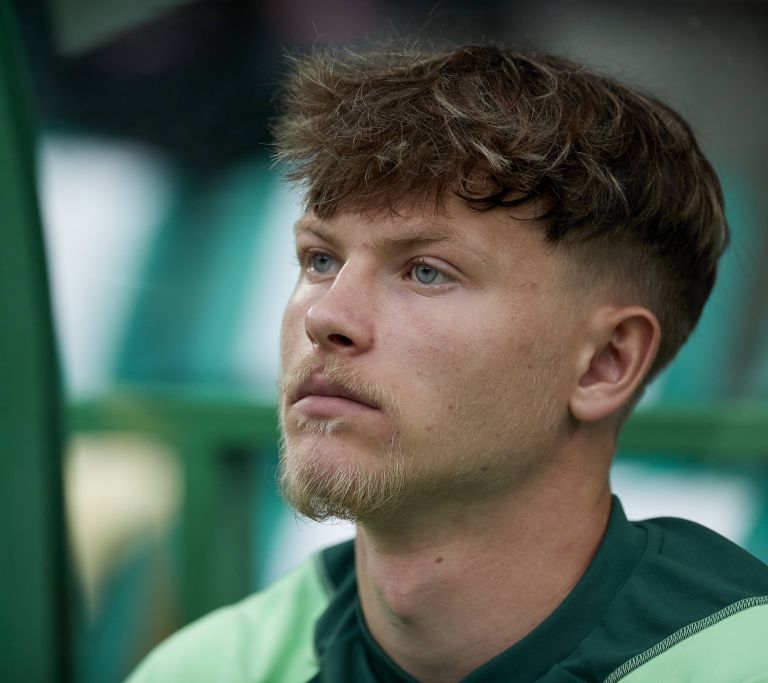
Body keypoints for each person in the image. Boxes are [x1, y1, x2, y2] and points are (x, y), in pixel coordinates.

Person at [126, 44, 768, 682]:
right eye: (321, 260)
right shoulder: (209, 670)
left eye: (427, 271)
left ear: (605, 362)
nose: (326, 316)